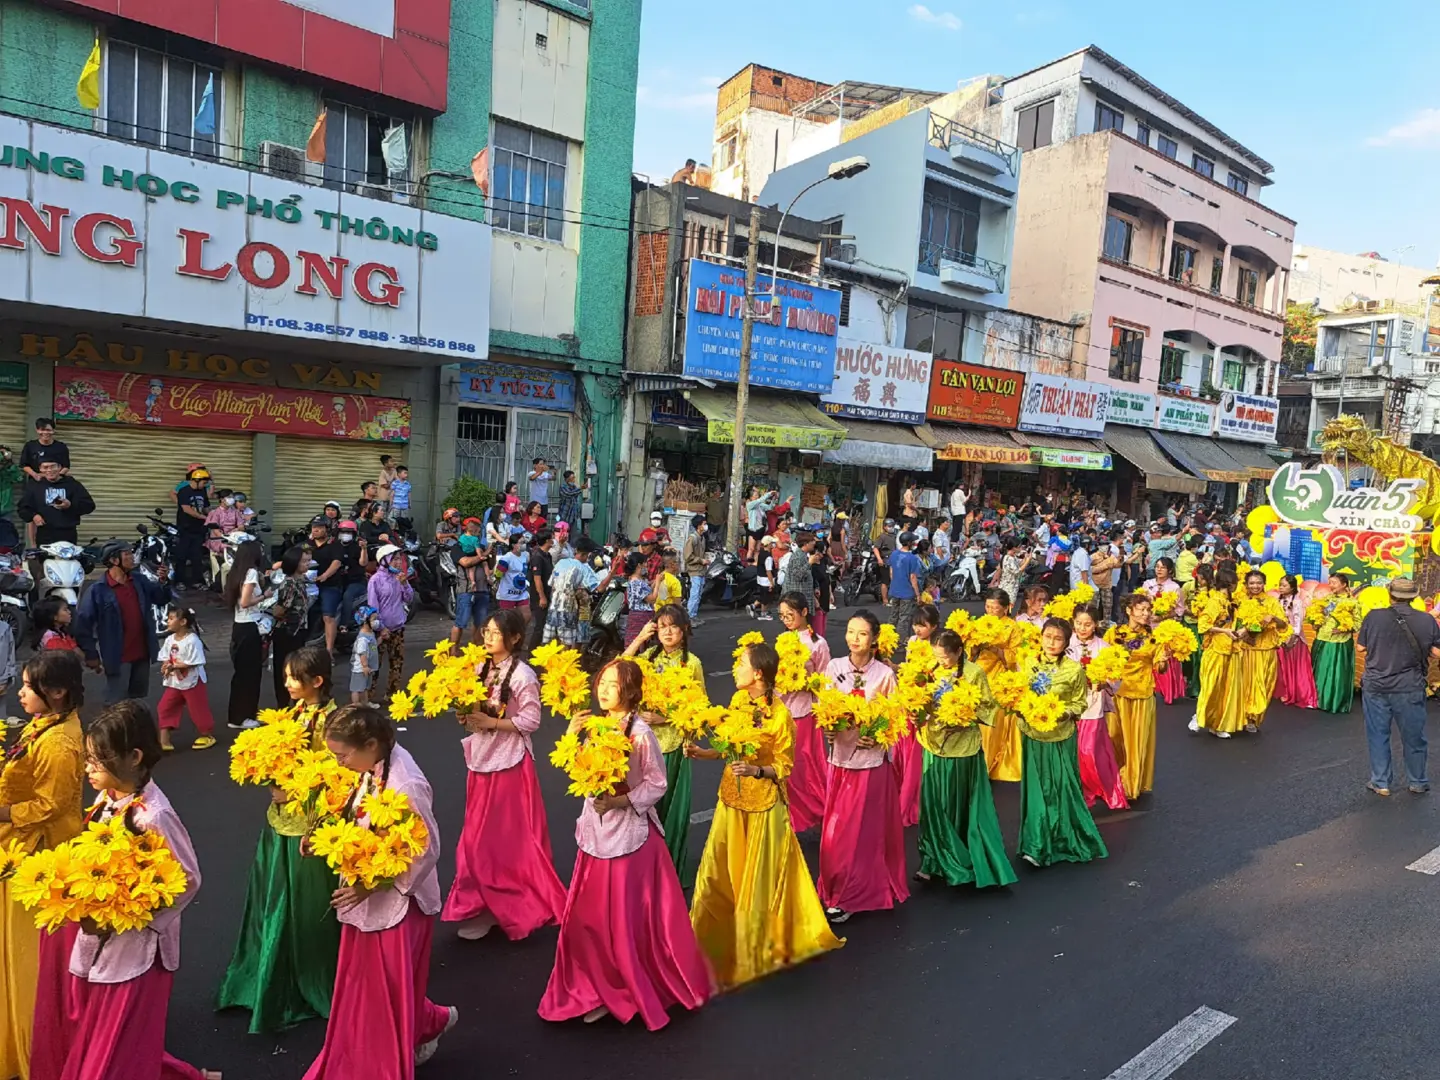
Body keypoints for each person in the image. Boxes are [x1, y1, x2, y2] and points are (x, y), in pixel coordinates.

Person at [36, 701, 217, 1080]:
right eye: (87, 758)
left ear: (134, 757)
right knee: (107, 1029)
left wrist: (137, 915)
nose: (88, 768)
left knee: (120, 1036)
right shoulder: (109, 800)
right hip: (105, 936)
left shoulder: (154, 816)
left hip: (136, 946)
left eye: (98, 761)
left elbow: (188, 878)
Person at [538, 659, 712, 1030]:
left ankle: (620, 987)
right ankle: (592, 986)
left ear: (630, 693)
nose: (603, 689)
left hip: (629, 839)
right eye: (602, 681)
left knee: (622, 922)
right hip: (595, 834)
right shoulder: (591, 725)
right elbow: (575, 769)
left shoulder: (640, 733)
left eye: (613, 685)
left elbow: (656, 783)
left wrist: (620, 801)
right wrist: (571, 736)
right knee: (588, 921)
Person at [303, 704, 457, 1078]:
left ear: (371, 744)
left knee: (381, 988)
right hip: (369, 894)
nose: (338, 763)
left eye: (342, 755)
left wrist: (370, 885)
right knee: (372, 984)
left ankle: (377, 1060)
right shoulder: (373, 766)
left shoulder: (406, 785)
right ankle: (427, 1022)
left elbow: (426, 849)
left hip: (397, 904)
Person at [686, 640, 843, 989]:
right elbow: (731, 749)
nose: (734, 669)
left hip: (764, 807)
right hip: (731, 800)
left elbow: (784, 766)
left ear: (758, 674)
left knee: (760, 879)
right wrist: (705, 753)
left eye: (741, 664)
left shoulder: (781, 716)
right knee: (721, 870)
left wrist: (757, 772)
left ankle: (756, 943)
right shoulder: (738, 701)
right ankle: (714, 930)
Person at [216, 647, 341, 1032]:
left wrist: (294, 791)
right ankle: (267, 971)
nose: (285, 683)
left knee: (306, 906)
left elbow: (338, 775)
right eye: (285, 676)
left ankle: (313, 977)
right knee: (272, 900)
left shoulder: (333, 722)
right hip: (279, 820)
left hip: (311, 825)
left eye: (293, 678)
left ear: (316, 681)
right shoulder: (291, 715)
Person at [443, 610, 566, 942]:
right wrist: (466, 715)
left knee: (502, 842)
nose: (488, 637)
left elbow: (532, 721)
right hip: (481, 760)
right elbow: (475, 709)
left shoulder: (523, 675)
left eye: (496, 633)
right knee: (475, 840)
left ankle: (506, 906)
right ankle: (482, 903)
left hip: (509, 765)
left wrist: (492, 723)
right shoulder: (478, 668)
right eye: (486, 631)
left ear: (513, 638)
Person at [0, 651, 84, 1080]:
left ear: (56, 692)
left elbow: (50, 805)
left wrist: (4, 813)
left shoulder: (58, 742)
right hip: (30, 844)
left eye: (28, 687)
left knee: (28, 949)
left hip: (40, 852)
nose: (20, 691)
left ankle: (35, 1037)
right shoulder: (47, 727)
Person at [818, 611, 907, 924]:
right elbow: (825, 709)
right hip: (840, 761)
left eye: (862, 634)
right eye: (851, 632)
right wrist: (827, 730)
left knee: (860, 833)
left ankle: (854, 892)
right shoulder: (834, 668)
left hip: (870, 766)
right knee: (836, 830)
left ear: (874, 639)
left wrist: (880, 740)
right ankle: (835, 886)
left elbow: (895, 718)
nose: (854, 639)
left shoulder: (884, 674)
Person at [914, 630, 1014, 888]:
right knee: (934, 806)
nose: (940, 661)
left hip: (962, 749)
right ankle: (933, 859)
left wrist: (963, 715)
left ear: (959, 652)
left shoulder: (973, 673)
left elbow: (988, 708)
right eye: (936, 656)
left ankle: (959, 858)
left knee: (955, 806)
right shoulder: (929, 669)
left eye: (945, 657)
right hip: (933, 744)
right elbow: (919, 700)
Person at [1017, 620, 1109, 867]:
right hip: (1033, 735)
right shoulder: (1029, 663)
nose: (1051, 642)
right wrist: (1017, 707)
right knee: (1037, 792)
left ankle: (1062, 838)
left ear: (1067, 642)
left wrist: (1061, 713)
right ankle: (1035, 844)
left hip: (1060, 737)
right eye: (1047, 636)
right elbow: (1019, 693)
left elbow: (1080, 703)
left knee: (1058, 789)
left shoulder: (1073, 669)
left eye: (1057, 638)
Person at [623, 605, 707, 877]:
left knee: (671, 810)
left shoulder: (692, 663)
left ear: (684, 630)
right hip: (644, 744)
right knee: (645, 806)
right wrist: (638, 638)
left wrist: (666, 718)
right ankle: (643, 863)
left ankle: (667, 870)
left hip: (673, 744)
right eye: (663, 626)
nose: (668, 631)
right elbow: (619, 670)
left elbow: (700, 708)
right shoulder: (647, 657)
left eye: (674, 626)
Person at [1356, 577, 1440, 796]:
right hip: (1410, 686)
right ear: (1414, 596)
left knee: (1378, 734)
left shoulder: (1373, 617)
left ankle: (1381, 782)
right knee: (1414, 736)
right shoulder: (1427, 620)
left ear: (1389, 593)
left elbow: (1360, 648)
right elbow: (1436, 652)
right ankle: (1418, 781)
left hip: (1377, 685)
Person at [74, 540, 168, 705]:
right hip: (118, 656)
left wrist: (163, 582)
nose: (132, 558)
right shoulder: (98, 590)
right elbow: (83, 625)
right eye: (127, 554)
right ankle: (111, 730)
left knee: (136, 700)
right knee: (116, 702)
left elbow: (160, 599)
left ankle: (132, 729)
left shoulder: (139, 581)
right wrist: (91, 654)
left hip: (142, 652)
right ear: (113, 560)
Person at [777, 592, 831, 834]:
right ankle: (789, 812)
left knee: (806, 765)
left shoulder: (818, 644)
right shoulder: (782, 640)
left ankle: (817, 809)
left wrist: (807, 684)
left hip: (806, 712)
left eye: (791, 615)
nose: (786, 620)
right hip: (783, 711)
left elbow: (825, 680)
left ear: (804, 612)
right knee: (785, 764)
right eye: (782, 616)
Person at [1104, 593, 1165, 799]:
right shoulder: (1113, 634)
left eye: (1148, 610)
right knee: (1113, 737)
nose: (1146, 614)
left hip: (1142, 694)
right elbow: (1102, 659)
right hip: (1117, 693)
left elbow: (1160, 667)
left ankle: (1131, 785)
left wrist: (1165, 659)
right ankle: (1113, 778)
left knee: (1137, 741)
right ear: (1129, 611)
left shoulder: (1154, 637)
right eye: (1141, 609)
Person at [1066, 606, 1127, 810]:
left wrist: (1106, 684)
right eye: (1079, 623)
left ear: (1096, 625)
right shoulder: (1065, 644)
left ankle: (1095, 787)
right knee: (1074, 750)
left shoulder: (1104, 647)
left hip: (1093, 704)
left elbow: (1115, 676)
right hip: (1070, 704)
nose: (1083, 628)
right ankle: (1077, 788)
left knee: (1089, 749)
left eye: (1088, 624)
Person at [975, 588, 1027, 783]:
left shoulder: (1012, 627)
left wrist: (997, 649)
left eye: (994, 608)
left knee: (992, 723)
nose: (989, 611)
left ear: (1005, 609)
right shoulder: (980, 623)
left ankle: (989, 763)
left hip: (999, 679)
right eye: (987, 606)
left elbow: (1016, 657)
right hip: (979, 675)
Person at [220, 540, 271, 730]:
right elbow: (245, 601)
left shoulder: (236, 571)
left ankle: (237, 716)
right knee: (250, 674)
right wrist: (265, 595)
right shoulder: (250, 572)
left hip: (240, 627)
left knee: (241, 675)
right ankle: (246, 716)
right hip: (250, 627)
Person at [1191, 567, 1244, 739]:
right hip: (1216, 649)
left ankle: (1218, 724)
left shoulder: (1231, 602)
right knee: (1211, 685)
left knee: (1226, 690)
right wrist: (1224, 631)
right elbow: (1203, 625)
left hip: (1231, 648)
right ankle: (1199, 716)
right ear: (1230, 584)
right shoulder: (1215, 602)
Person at [157, 603, 215, 751]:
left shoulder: (193, 640)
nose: (168, 622)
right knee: (165, 707)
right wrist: (166, 665)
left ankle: (207, 734)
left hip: (192, 681)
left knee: (197, 708)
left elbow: (195, 661)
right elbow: (166, 656)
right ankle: (164, 740)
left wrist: (174, 666)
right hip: (175, 682)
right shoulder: (170, 640)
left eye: (171, 618)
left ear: (182, 622)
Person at [1237, 569, 1287, 733]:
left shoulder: (1272, 602)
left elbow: (1283, 625)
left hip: (1266, 650)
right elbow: (1235, 625)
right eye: (1251, 583)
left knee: (1263, 686)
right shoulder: (1240, 601)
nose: (1255, 586)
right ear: (1246, 585)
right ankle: (1243, 717)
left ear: (1264, 584)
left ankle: (1255, 718)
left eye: (1258, 582)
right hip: (1246, 649)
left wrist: (1272, 618)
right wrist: (1246, 634)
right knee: (1244, 685)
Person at [367, 545, 414, 705]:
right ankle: (368, 696)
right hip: (380, 631)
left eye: (399, 559)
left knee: (397, 663)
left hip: (398, 628)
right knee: (374, 665)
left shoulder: (399, 578)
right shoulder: (375, 580)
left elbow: (408, 599)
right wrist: (381, 628)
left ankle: (392, 694)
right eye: (394, 559)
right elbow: (373, 607)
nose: (398, 562)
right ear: (384, 561)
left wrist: (405, 583)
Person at [269, 545, 313, 709]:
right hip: (287, 632)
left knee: (297, 667)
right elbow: (279, 610)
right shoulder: (289, 584)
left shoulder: (301, 581)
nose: (307, 564)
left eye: (308, 561)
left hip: (298, 631)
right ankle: (284, 703)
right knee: (285, 668)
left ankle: (297, 701)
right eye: (303, 561)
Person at [18, 459, 94, 546]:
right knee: (45, 559)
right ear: (40, 469)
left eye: (53, 466)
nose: (49, 470)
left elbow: (89, 506)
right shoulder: (35, 486)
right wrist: (34, 516)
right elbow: (23, 508)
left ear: (60, 468)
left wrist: (70, 506)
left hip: (67, 533)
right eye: (45, 467)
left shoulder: (73, 484)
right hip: (44, 534)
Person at [544, 536, 604, 646]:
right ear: (587, 555)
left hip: (555, 607)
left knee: (555, 642)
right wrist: (613, 571)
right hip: (575, 609)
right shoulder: (583, 569)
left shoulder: (561, 563)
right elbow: (600, 588)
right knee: (576, 642)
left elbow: (552, 584)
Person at [1144, 557, 1187, 705]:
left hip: (1166, 628)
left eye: (1162, 567)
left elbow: (1180, 610)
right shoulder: (1147, 584)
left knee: (1165, 659)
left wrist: (1163, 616)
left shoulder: (1174, 587)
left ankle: (1167, 690)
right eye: (1157, 566)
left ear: (1169, 570)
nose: (1159, 570)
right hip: (1149, 625)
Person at [1312, 575, 1357, 714]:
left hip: (1340, 641)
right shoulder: (1326, 600)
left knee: (1336, 673)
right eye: (1330, 583)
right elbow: (1318, 615)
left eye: (1334, 583)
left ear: (1344, 584)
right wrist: (1315, 622)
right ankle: (1316, 700)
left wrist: (1346, 628)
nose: (1331, 585)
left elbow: (1359, 623)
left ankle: (1334, 702)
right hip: (1322, 638)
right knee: (1320, 670)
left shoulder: (1352, 602)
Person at [1276, 574, 1317, 710]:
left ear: (1292, 587)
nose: (1281, 588)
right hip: (1280, 637)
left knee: (1298, 668)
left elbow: (1298, 623)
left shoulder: (1298, 602)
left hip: (1295, 641)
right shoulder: (1279, 601)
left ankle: (1305, 696)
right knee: (1284, 668)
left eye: (1284, 585)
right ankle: (1287, 692)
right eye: (1280, 585)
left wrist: (1292, 638)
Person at [170, 465, 212, 589]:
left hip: (198, 529)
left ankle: (197, 581)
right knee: (181, 556)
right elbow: (186, 509)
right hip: (185, 528)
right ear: (196, 480)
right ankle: (179, 582)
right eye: (204, 482)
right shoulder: (184, 491)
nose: (205, 485)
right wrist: (202, 517)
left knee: (197, 556)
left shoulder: (202, 491)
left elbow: (206, 507)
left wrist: (212, 516)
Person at [204, 489, 245, 588]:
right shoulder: (214, 513)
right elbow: (215, 530)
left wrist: (236, 530)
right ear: (222, 499)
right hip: (219, 541)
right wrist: (223, 535)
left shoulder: (235, 512)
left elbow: (241, 526)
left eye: (232, 497)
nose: (232, 499)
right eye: (229, 497)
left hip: (234, 539)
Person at [888, 532, 921, 646]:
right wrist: (917, 594)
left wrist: (895, 583)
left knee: (893, 614)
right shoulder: (912, 558)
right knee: (904, 616)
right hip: (906, 592)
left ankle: (889, 637)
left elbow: (891, 572)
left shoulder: (894, 554)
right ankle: (901, 639)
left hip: (895, 589)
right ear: (909, 543)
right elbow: (913, 578)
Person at [622, 551, 657, 646]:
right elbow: (652, 599)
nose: (647, 566)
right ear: (639, 565)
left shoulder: (640, 580)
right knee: (638, 644)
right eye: (645, 563)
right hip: (640, 617)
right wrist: (657, 583)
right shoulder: (636, 582)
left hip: (644, 616)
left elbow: (648, 590)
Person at [528, 528, 555, 649]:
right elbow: (537, 578)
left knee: (545, 625)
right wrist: (542, 597)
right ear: (548, 540)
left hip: (548, 593)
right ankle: (531, 652)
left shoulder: (547, 555)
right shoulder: (537, 557)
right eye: (552, 538)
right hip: (539, 596)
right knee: (539, 626)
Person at [351, 607, 380, 704]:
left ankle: (365, 704)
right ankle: (356, 705)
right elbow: (362, 653)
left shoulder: (370, 634)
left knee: (365, 688)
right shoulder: (362, 639)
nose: (376, 622)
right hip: (360, 669)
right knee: (358, 688)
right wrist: (365, 666)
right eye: (373, 619)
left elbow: (373, 646)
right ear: (365, 622)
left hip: (367, 668)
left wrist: (381, 639)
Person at [683, 516, 709, 623]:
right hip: (694, 570)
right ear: (699, 526)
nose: (705, 526)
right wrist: (701, 560)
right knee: (694, 594)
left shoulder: (702, 538)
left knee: (698, 594)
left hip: (701, 570)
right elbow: (688, 556)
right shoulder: (692, 538)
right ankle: (689, 617)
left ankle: (693, 615)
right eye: (704, 523)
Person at [745, 488, 779, 564]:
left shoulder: (760, 505)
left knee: (757, 549)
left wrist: (773, 499)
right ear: (751, 497)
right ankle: (748, 566)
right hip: (753, 530)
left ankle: (755, 565)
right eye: (755, 495)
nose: (757, 497)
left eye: (757, 495)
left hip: (761, 529)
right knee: (751, 549)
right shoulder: (750, 505)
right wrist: (769, 494)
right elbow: (759, 500)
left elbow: (769, 507)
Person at [391, 465, 412, 533]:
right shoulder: (395, 483)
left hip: (404, 506)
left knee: (404, 521)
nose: (406, 475)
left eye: (407, 473)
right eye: (405, 473)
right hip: (396, 505)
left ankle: (402, 533)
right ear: (399, 474)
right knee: (395, 520)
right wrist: (391, 504)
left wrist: (409, 503)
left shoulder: (408, 484)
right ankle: (394, 533)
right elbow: (392, 494)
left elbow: (409, 494)